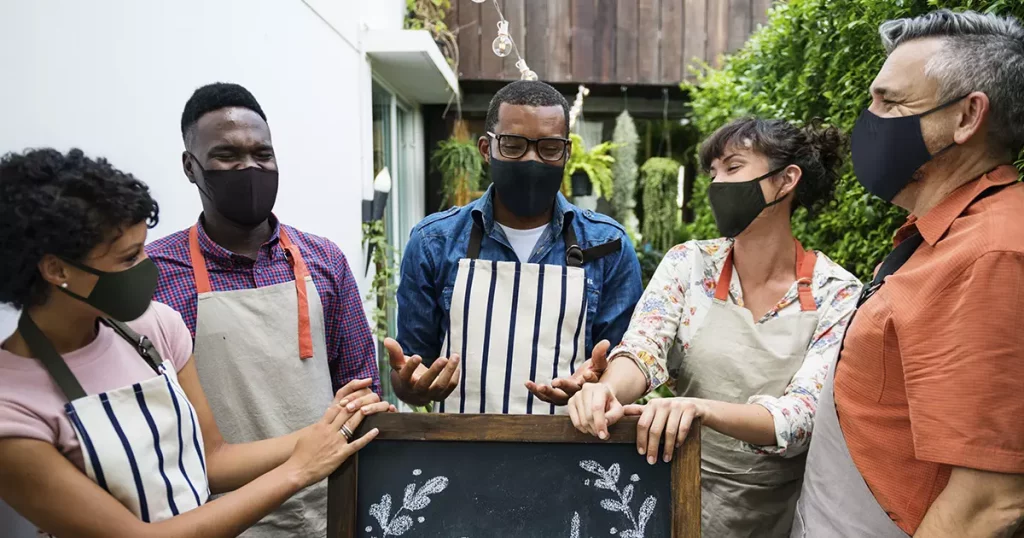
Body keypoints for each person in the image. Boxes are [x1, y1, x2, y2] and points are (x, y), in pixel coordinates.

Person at [0, 148, 387, 537]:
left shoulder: (151, 329)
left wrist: (321, 433)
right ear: (56, 269)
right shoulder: (12, 408)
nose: (146, 267)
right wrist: (298, 469)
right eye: (128, 258)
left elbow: (212, 460)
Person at [569, 118, 862, 537]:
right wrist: (607, 390)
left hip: (786, 512)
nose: (717, 184)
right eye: (713, 173)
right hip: (678, 494)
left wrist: (700, 409)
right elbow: (643, 348)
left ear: (786, 181)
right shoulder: (689, 265)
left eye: (734, 168)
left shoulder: (837, 292)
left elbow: (802, 417)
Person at [792, 10, 1024, 537]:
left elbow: (989, 503)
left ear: (968, 117)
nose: (868, 120)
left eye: (890, 102)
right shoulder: (934, 238)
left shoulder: (993, 255)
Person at [146, 82, 380, 536]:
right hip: (217, 518)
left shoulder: (323, 260)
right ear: (190, 167)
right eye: (228, 157)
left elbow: (360, 391)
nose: (249, 168)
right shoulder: (157, 274)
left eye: (262, 154)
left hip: (332, 507)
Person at [387, 80, 643, 414]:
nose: (531, 159)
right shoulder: (434, 241)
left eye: (549, 148)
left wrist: (599, 387)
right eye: (512, 145)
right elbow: (411, 369)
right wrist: (413, 387)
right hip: (458, 456)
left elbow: (624, 367)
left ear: (566, 152)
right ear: (485, 149)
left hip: (573, 454)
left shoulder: (608, 245)